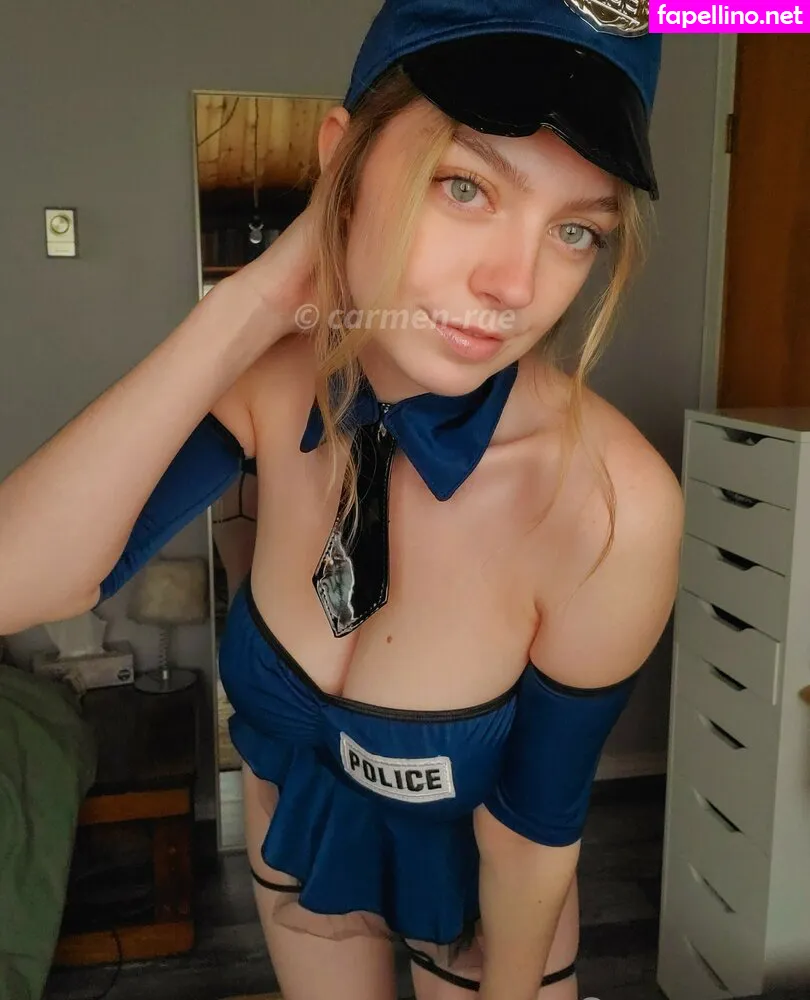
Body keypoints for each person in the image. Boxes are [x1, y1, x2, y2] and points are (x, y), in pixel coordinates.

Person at [0, 0, 685, 996]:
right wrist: (253, 301)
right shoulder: (268, 383)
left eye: (576, 230)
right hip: (299, 853)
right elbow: (20, 579)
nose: (515, 284)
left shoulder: (608, 507)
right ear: (341, 160)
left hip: (484, 919)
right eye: (464, 186)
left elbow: (534, 832)